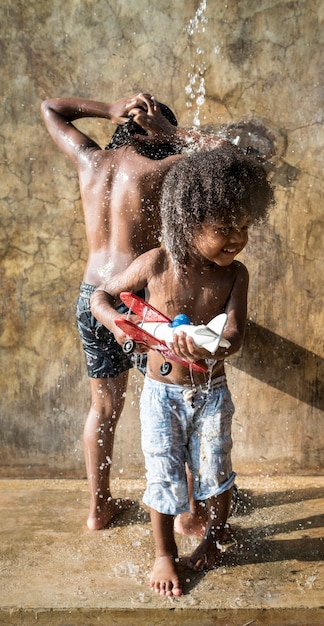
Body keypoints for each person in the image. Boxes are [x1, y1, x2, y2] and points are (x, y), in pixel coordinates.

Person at [90, 144, 274, 596]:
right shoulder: (155, 264)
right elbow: (99, 298)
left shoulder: (235, 276)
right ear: (190, 223)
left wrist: (212, 348)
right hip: (161, 394)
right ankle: (165, 555)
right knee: (163, 473)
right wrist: (118, 324)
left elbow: (234, 335)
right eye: (224, 228)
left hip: (211, 391)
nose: (236, 238)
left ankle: (211, 539)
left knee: (215, 471)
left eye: (244, 227)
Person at [41, 92, 226, 530]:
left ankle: (98, 509)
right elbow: (227, 155)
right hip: (138, 303)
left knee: (102, 409)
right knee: (178, 400)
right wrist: (174, 133)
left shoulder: (90, 160)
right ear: (156, 135)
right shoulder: (166, 168)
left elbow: (51, 107)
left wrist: (107, 108)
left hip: (93, 296)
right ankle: (187, 513)